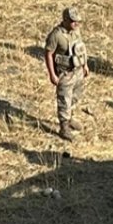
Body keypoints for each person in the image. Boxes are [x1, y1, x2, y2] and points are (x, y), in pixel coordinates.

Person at [44, 7, 90, 141]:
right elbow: (48, 53)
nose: (76, 24)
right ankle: (64, 126)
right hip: (65, 73)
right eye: (73, 21)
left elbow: (81, 48)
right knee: (64, 99)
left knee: (75, 96)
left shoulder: (76, 32)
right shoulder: (56, 35)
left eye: (78, 21)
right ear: (65, 20)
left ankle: (70, 118)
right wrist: (52, 74)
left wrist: (85, 65)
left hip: (78, 71)